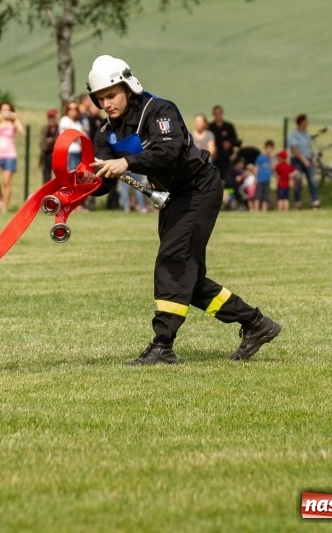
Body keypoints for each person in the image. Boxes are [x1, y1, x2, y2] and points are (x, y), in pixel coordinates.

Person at [80, 54, 281, 365]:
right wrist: (85, 183)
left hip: (199, 186)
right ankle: (256, 323)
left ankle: (163, 344)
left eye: (111, 95)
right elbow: (105, 181)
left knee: (173, 262)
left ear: (127, 87)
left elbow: (169, 150)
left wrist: (127, 162)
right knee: (189, 277)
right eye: (100, 98)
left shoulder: (159, 109)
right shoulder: (105, 134)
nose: (106, 104)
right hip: (175, 195)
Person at [0, 101, 24, 212]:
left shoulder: (13, 123)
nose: (5, 113)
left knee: (6, 181)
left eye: (8, 110)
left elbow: (22, 132)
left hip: (10, 155)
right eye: (3, 110)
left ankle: (5, 206)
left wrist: (15, 119)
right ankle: (1, 195)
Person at [208, 104, 242, 207]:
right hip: (215, 159)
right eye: (216, 113)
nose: (218, 115)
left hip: (226, 159)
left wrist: (230, 143)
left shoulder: (228, 126)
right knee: (214, 181)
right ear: (213, 114)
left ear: (222, 114)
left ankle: (235, 201)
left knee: (230, 180)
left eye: (219, 113)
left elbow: (238, 142)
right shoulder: (211, 127)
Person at [287, 114, 320, 210]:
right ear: (301, 122)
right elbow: (294, 149)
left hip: (307, 158)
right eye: (306, 121)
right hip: (297, 160)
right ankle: (297, 202)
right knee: (298, 180)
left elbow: (308, 147)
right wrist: (303, 159)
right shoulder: (293, 134)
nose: (307, 123)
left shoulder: (306, 133)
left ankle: (315, 201)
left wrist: (311, 159)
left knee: (312, 180)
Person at [58, 99, 86, 173]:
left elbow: (84, 136)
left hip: (78, 152)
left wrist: (79, 138)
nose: (73, 111)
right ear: (67, 110)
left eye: (75, 109)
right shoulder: (65, 120)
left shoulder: (78, 123)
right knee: (71, 173)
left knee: (77, 174)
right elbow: (71, 136)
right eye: (70, 109)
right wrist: (79, 138)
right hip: (69, 153)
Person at [39, 108, 59, 184]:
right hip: (46, 156)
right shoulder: (44, 129)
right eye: (50, 117)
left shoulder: (59, 128)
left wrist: (52, 141)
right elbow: (42, 143)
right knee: (46, 177)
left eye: (53, 117)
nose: (52, 120)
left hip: (57, 156)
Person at [254, 140, 274, 211]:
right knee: (258, 196)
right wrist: (256, 177)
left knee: (265, 197)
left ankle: (264, 210)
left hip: (267, 179)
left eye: (270, 148)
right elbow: (256, 167)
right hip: (260, 179)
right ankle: (256, 210)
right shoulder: (260, 157)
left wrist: (271, 159)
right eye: (268, 148)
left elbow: (273, 168)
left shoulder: (272, 159)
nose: (269, 150)